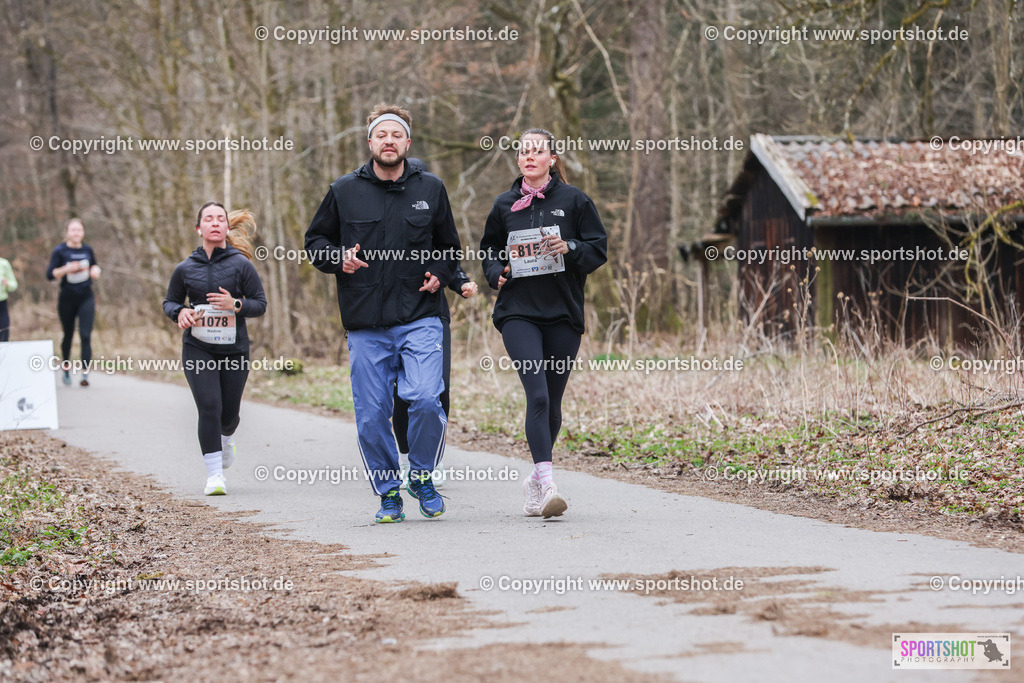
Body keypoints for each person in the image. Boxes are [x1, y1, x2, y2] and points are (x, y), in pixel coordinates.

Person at [304, 103, 461, 523]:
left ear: (407, 143)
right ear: (369, 142)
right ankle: (389, 492)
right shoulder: (343, 190)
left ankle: (423, 476)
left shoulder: (431, 188)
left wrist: (441, 274)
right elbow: (315, 243)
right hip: (365, 321)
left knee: (427, 398)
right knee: (372, 414)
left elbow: (451, 247)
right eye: (381, 135)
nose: (388, 141)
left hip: (420, 314)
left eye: (396, 135)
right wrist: (339, 258)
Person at [480, 128, 607, 518]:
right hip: (518, 311)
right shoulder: (504, 203)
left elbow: (597, 248)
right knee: (536, 395)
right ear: (518, 160)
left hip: (563, 314)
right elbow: (488, 248)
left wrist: (569, 247)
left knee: (551, 401)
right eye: (524, 151)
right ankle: (549, 482)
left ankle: (534, 480)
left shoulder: (574, 200)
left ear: (552, 158)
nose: (530, 156)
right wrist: (494, 272)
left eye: (538, 151)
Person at [163, 203, 267, 496]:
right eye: (208, 219)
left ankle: (226, 437)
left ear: (225, 227)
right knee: (209, 406)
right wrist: (179, 313)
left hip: (234, 351)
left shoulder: (241, 265)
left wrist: (235, 304)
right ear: (199, 229)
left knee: (228, 415)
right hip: (198, 348)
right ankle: (215, 475)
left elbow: (259, 303)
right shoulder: (185, 268)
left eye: (220, 218)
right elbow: (170, 302)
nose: (215, 223)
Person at [393, 159, 479, 488]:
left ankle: (431, 461)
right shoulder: (393, 229)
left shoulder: (434, 224)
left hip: (431, 317)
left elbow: (449, 261)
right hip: (394, 317)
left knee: (435, 390)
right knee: (403, 393)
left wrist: (463, 283)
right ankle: (404, 459)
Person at [46, 219, 101, 386]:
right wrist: (66, 269)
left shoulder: (87, 250)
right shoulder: (60, 250)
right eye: (73, 230)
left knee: (85, 335)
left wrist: (95, 271)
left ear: (83, 233)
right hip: (67, 298)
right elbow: (50, 274)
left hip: (86, 296)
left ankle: (85, 374)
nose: (76, 233)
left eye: (79, 230)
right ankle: (66, 368)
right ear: (67, 232)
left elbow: (95, 267)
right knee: (68, 334)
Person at [0, 256, 17, 342]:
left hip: (1, 303)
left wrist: (7, 284)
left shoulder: (4, 263)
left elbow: (14, 285)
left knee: (3, 333)